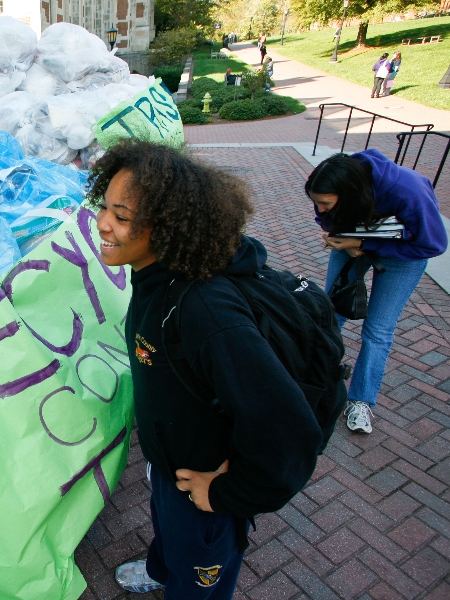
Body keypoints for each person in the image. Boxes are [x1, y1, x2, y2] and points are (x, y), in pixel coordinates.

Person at [93, 142, 323, 598]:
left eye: (121, 216)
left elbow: (290, 432)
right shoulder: (155, 271)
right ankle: (162, 568)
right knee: (171, 533)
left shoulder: (205, 313)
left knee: (198, 578)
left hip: (206, 490)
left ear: (169, 227)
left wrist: (225, 494)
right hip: (171, 468)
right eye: (104, 207)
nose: (102, 224)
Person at [305, 151, 447, 434]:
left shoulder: (409, 191)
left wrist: (366, 245)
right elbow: (327, 221)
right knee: (329, 313)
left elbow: (432, 244)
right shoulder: (337, 188)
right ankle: (311, 381)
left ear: (348, 193)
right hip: (356, 240)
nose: (319, 211)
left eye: (325, 204)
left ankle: (360, 400)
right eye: (316, 203)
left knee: (378, 329)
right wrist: (341, 237)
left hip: (405, 254)